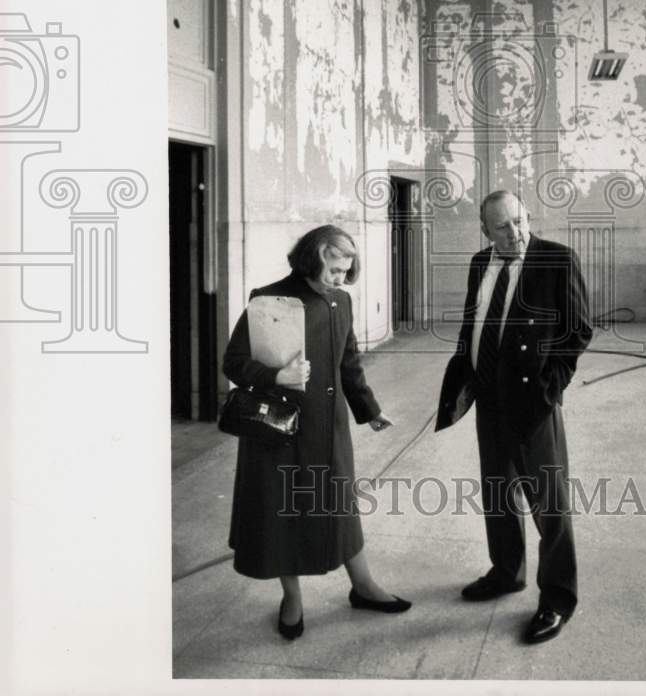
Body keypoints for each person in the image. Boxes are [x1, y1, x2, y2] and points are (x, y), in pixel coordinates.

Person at [223, 224, 411, 641]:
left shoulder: (340, 301)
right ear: (312, 258)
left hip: (329, 428)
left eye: (346, 271)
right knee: (283, 512)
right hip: (279, 429)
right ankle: (293, 598)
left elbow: (350, 362)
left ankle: (362, 586)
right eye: (334, 269)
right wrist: (277, 375)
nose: (341, 279)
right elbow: (233, 362)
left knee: (340, 505)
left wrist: (370, 410)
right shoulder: (269, 299)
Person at [435, 190, 592, 644]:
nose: (516, 233)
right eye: (503, 227)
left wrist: (552, 385)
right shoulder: (479, 263)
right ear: (485, 229)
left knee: (549, 504)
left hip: (533, 401)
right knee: (499, 491)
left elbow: (578, 329)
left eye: (520, 221)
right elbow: (476, 322)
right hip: (489, 396)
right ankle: (507, 571)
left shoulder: (557, 260)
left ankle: (558, 598)